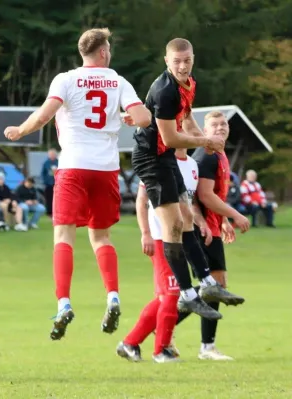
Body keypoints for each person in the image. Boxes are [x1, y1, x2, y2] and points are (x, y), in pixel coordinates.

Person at [4, 28, 152, 339]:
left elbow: (44, 116)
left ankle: (64, 303)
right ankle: (112, 296)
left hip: (73, 166)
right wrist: (128, 117)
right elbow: (143, 119)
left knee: (63, 236)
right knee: (101, 238)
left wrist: (20, 130)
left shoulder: (66, 79)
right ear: (103, 53)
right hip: (106, 168)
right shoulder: (118, 81)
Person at [129, 38, 244, 320]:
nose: (182, 66)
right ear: (166, 61)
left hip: (165, 157)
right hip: (150, 159)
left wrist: (203, 142)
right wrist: (206, 139)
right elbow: (169, 137)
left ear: (193, 58)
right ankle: (187, 295)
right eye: (176, 61)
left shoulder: (189, 83)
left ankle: (207, 283)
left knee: (188, 219)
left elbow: (188, 118)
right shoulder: (166, 90)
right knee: (174, 226)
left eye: (187, 60)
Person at [176, 111, 250, 361]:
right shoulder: (206, 155)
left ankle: (178, 330)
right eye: (214, 125)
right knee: (214, 286)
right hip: (201, 229)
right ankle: (171, 327)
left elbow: (210, 196)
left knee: (216, 285)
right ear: (204, 130)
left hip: (212, 226)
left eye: (223, 124)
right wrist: (236, 215)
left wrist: (225, 220)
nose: (220, 128)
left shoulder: (218, 153)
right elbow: (203, 196)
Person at [116, 147, 201, 363]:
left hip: (182, 239)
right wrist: (145, 233)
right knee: (173, 294)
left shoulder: (192, 165)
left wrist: (202, 225)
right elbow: (142, 200)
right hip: (161, 238)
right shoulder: (159, 161)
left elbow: (189, 204)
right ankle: (161, 350)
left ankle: (130, 343)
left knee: (165, 297)